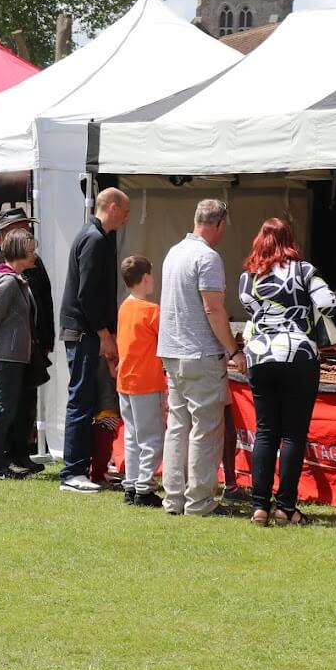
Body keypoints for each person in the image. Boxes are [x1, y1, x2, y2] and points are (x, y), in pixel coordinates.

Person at [238, 218, 336, 527]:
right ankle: (285, 508)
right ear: (289, 241)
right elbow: (330, 303)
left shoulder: (248, 278)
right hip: (299, 354)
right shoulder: (305, 270)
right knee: (294, 434)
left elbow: (249, 307)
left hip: (260, 356)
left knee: (266, 431)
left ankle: (259, 507)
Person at [158, 199, 245, 517]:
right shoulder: (208, 257)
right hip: (200, 353)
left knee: (178, 427)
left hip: (172, 351)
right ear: (219, 224)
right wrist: (233, 350)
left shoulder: (174, 252)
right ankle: (199, 502)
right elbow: (213, 308)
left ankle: (174, 500)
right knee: (205, 428)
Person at [0, 206, 54, 475]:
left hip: (28, 346)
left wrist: (45, 339)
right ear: (6, 234)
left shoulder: (32, 266)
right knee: (5, 407)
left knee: (25, 403)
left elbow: (45, 303)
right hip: (7, 350)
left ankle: (20, 455)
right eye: (22, 229)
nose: (27, 232)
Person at [58, 187, 130, 493]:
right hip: (84, 332)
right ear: (112, 207)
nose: (127, 218)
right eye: (125, 212)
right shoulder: (94, 239)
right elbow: (87, 293)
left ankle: (84, 469)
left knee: (86, 400)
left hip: (86, 330)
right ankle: (72, 473)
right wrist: (104, 334)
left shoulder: (95, 236)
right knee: (81, 400)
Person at [0, 230, 41, 480]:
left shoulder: (16, 279)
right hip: (7, 355)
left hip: (15, 355)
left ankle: (4, 463)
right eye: (31, 250)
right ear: (19, 252)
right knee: (3, 410)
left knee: (8, 410)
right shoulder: (6, 282)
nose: (34, 254)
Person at [116, 255, 166, 507]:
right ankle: (144, 488)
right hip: (146, 381)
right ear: (146, 279)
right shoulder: (152, 311)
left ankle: (132, 484)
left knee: (133, 437)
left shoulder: (125, 306)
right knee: (152, 438)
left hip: (126, 380)